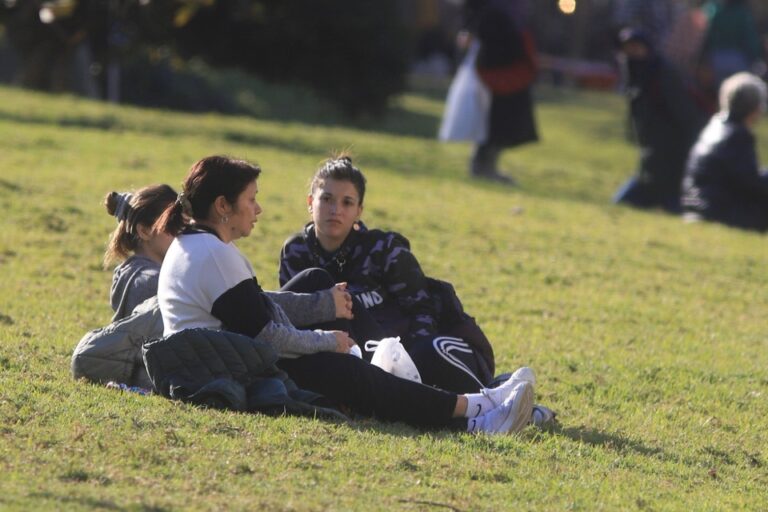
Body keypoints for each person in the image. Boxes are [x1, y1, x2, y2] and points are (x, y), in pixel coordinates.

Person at [153, 155, 536, 434]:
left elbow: (255, 307)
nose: (258, 209)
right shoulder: (216, 255)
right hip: (227, 368)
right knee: (351, 373)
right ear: (223, 206)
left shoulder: (196, 246)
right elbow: (267, 336)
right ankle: (475, 412)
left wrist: (324, 305)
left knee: (319, 294)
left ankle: (468, 403)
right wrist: (327, 341)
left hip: (220, 359)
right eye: (251, 199)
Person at [278, 155, 555, 425]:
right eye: (326, 199)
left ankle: (504, 399)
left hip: (425, 344)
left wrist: (404, 362)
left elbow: (423, 310)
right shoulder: (296, 252)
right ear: (310, 202)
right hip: (362, 357)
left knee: (427, 351)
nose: (335, 209)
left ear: (359, 211)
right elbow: (300, 320)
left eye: (346, 202)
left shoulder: (384, 248)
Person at [613, 27, 710, 213]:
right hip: (653, 162)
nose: (631, 52)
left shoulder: (663, 75)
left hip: (674, 160)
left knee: (676, 207)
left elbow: (687, 116)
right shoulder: (634, 76)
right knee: (622, 203)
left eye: (636, 47)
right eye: (627, 48)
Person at [681, 72, 768, 232]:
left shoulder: (715, 125)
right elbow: (750, 183)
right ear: (754, 107)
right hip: (718, 212)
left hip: (695, 207)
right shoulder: (738, 136)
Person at [463, 0, 539, 183]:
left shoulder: (508, 11)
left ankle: (487, 166)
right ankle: (483, 167)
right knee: (495, 122)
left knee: (501, 123)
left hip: (510, 71)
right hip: (498, 71)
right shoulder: (492, 12)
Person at [103, 185, 177, 321]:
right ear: (144, 231)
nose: (182, 233)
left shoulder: (127, 271)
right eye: (172, 225)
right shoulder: (153, 281)